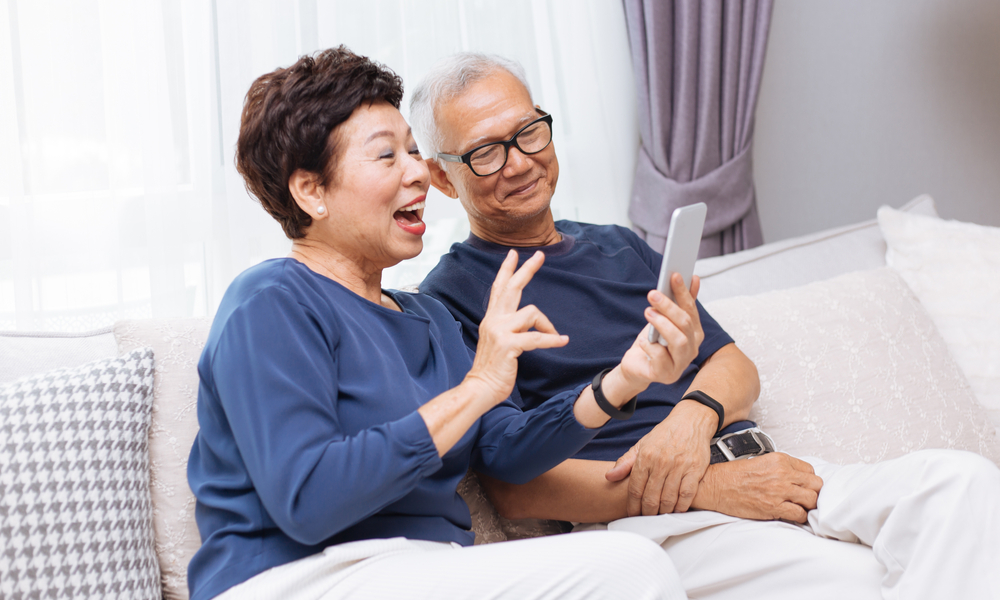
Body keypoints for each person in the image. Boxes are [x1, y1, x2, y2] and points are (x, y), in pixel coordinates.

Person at [413, 52, 1000, 599]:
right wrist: (709, 488)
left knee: (964, 484)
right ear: (442, 178)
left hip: (763, 462)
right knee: (863, 579)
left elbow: (734, 365)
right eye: (485, 152)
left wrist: (696, 416)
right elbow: (517, 486)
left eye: (528, 132)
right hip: (658, 523)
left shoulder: (618, 246)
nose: (519, 161)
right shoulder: (452, 296)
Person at [185, 47, 688, 600]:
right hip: (297, 578)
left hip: (424, 570)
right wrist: (476, 388)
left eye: (416, 151)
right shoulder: (270, 302)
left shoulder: (428, 317)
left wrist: (626, 378)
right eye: (386, 157)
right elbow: (309, 500)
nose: (419, 173)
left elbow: (507, 453)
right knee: (635, 567)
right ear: (311, 191)